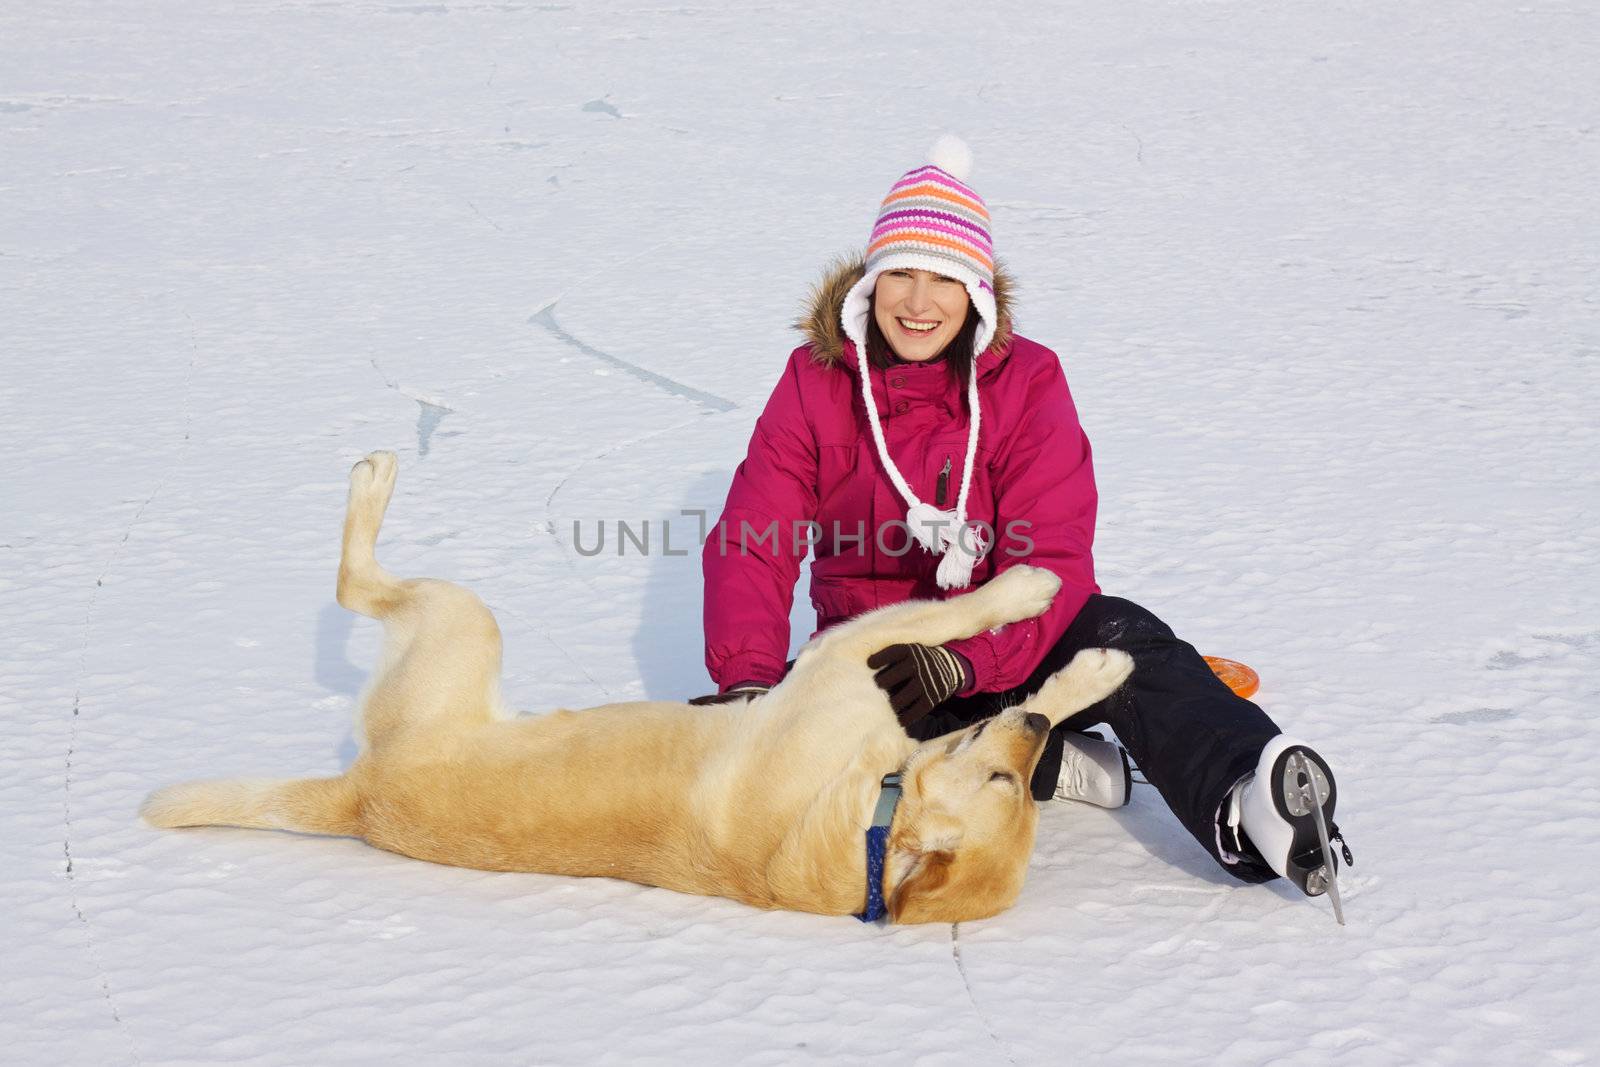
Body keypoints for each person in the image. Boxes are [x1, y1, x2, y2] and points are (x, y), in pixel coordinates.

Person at [690, 136, 1351, 901]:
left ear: (976, 288)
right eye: (899, 273)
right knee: (840, 758)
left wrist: (973, 659)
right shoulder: (817, 382)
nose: (917, 301)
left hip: (1008, 648)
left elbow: (1054, 557)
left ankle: (1247, 798)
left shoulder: (1029, 382)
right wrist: (749, 689)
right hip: (888, 669)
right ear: (868, 286)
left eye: (942, 277)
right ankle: (1033, 755)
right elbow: (754, 536)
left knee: (1120, 637)